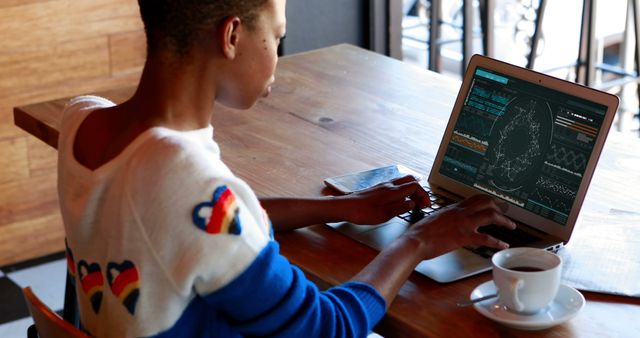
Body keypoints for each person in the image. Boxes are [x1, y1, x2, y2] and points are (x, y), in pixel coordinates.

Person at [58, 0, 515, 337]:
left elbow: (199, 225)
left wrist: (343, 207)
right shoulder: (184, 177)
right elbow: (326, 327)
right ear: (231, 36)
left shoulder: (82, 121)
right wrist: (419, 240)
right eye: (277, 38)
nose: (278, 54)